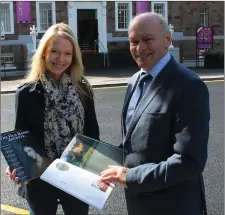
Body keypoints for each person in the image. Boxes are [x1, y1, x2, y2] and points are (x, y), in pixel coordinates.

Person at [100, 12, 210, 215]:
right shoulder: (135, 80)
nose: (140, 48)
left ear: (168, 39)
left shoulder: (189, 86)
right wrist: (93, 164)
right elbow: (133, 145)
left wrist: (130, 177)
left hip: (173, 206)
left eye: (148, 39)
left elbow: (189, 162)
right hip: (139, 205)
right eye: (134, 41)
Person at [5, 22, 99, 215]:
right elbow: (21, 138)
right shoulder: (27, 92)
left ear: (74, 57)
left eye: (67, 53)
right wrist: (16, 165)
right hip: (40, 179)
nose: (60, 59)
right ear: (44, 53)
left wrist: (97, 170)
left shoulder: (83, 89)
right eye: (54, 51)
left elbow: (92, 134)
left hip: (76, 175)